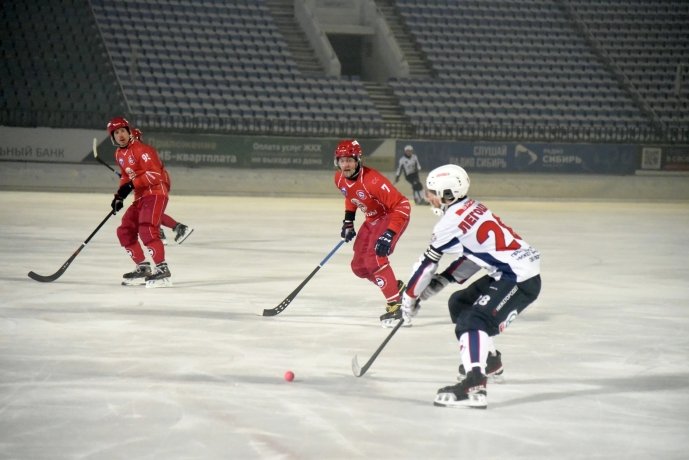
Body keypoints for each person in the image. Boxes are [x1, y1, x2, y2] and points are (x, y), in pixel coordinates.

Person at [399, 164, 541, 408]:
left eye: (432, 191)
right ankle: (490, 361)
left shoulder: (448, 223)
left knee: (472, 321)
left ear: (447, 194)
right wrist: (442, 282)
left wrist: (410, 299)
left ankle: (475, 383)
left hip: (518, 277)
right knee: (460, 303)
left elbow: (425, 266)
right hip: (512, 271)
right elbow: (476, 255)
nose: (427, 196)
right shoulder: (472, 206)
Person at [334, 139, 412, 328]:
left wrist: (389, 233)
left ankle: (397, 307)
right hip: (372, 220)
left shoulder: (373, 181)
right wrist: (348, 221)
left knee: (375, 259)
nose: (346, 165)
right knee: (359, 267)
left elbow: (402, 205)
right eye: (342, 160)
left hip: (390, 217)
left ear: (358, 160)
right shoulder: (339, 178)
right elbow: (350, 196)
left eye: (350, 160)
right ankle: (396, 287)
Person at [107, 117, 173, 288]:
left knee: (147, 229)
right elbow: (126, 176)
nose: (120, 135)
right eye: (116, 133)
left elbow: (155, 175)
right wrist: (119, 196)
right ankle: (143, 267)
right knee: (125, 229)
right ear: (112, 138)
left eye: (122, 130)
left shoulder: (143, 150)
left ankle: (162, 269)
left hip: (156, 193)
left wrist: (131, 184)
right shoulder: (119, 154)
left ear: (129, 132)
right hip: (141, 196)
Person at [130, 128, 193, 245]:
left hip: (156, 183)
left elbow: (146, 171)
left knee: (147, 210)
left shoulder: (139, 151)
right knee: (148, 210)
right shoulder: (140, 150)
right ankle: (172, 229)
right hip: (160, 181)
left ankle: (164, 231)